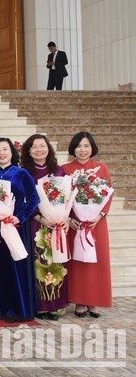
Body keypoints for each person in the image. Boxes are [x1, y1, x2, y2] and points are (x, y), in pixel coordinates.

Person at [0, 138, 39, 321]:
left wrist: (20, 217)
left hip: (17, 225)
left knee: (18, 264)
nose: (1, 153)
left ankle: (21, 308)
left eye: (5, 149)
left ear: (12, 152)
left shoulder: (21, 173)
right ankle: (4, 308)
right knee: (1, 266)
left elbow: (34, 198)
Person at [63, 132, 112, 318]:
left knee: (96, 262)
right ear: (73, 148)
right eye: (78, 146)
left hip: (95, 224)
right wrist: (68, 218)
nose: (82, 150)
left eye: (86, 146)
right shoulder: (65, 169)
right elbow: (61, 197)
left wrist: (99, 215)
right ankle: (79, 301)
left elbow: (108, 194)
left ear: (92, 148)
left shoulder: (101, 168)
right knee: (78, 263)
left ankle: (94, 301)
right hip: (75, 224)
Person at [20, 134, 68, 320]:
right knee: (38, 262)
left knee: (56, 262)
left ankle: (55, 306)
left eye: (42, 146)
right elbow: (22, 200)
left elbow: (66, 196)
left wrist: (64, 217)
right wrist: (39, 217)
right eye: (34, 147)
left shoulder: (59, 171)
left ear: (48, 148)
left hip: (56, 225)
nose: (39, 149)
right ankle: (40, 305)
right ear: (28, 151)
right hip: (35, 224)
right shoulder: (24, 172)